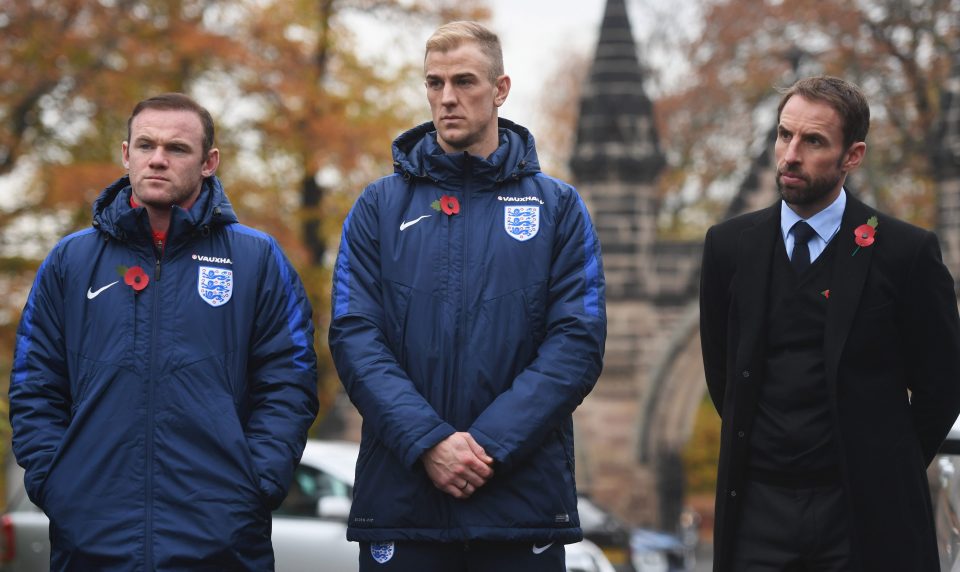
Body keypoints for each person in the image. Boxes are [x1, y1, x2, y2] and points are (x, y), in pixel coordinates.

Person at [328, 20, 606, 572]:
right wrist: (429, 442)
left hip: (519, 502)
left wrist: (487, 446)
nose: (447, 98)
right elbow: (355, 337)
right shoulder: (378, 207)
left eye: (464, 81)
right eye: (434, 83)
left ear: (501, 90)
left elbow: (576, 342)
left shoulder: (559, 209)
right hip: (404, 503)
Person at [9, 93, 320, 570]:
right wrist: (57, 483)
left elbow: (289, 384)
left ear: (209, 162)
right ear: (125, 153)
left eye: (177, 148)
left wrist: (255, 487)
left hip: (222, 540)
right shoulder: (71, 261)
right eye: (146, 145)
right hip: (91, 538)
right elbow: (35, 385)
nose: (157, 159)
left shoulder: (257, 260)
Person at [699, 75, 960, 571]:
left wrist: (884, 465)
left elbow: (941, 387)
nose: (790, 154)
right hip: (758, 513)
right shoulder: (729, 248)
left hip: (866, 517)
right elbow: (724, 376)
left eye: (813, 141)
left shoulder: (905, 253)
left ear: (852, 156)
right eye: (784, 135)